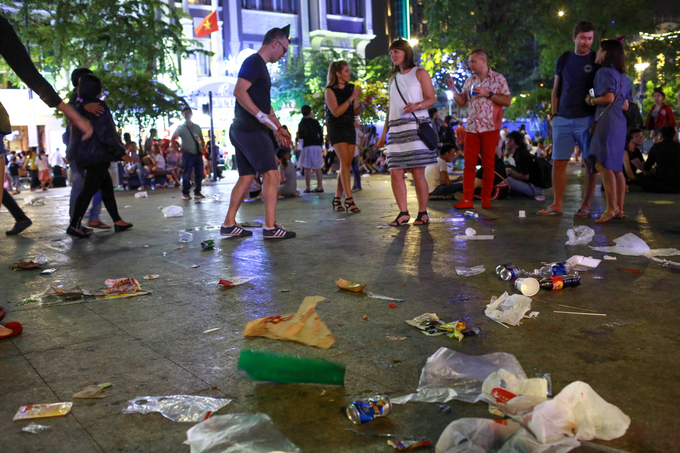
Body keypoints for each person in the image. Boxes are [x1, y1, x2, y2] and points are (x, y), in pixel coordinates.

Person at [221, 26, 296, 239]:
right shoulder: (253, 62)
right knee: (271, 174)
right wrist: (260, 116)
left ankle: (228, 224)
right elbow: (239, 91)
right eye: (284, 50)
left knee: (246, 177)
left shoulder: (260, 67)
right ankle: (270, 227)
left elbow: (266, 105)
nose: (284, 55)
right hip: (250, 129)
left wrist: (279, 128)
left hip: (242, 129)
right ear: (275, 43)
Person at [375, 38, 438, 226]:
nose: (393, 55)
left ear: (406, 53)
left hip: (415, 127)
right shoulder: (392, 79)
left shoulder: (420, 73)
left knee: (418, 172)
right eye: (391, 52)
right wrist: (383, 133)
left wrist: (417, 105)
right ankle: (403, 212)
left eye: (396, 52)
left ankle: (423, 213)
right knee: (395, 171)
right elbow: (391, 107)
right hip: (396, 130)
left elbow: (431, 99)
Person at [540, 21, 598, 216]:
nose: (586, 42)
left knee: (590, 162)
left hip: (587, 117)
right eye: (583, 38)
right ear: (574, 37)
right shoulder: (564, 59)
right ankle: (557, 203)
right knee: (558, 162)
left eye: (590, 38)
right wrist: (554, 114)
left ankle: (586, 205)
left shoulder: (596, 59)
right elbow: (556, 88)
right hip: (563, 117)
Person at [66, 74, 133, 237]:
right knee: (87, 191)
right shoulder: (97, 106)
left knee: (106, 187)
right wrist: (121, 153)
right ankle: (74, 225)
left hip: (87, 154)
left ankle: (117, 220)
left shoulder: (79, 105)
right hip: (97, 155)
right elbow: (104, 134)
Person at [445, 49, 511, 209]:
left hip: (490, 127)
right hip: (472, 127)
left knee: (488, 164)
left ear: (483, 61)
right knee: (469, 164)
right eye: (470, 62)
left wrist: (488, 94)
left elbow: (507, 101)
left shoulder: (498, 79)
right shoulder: (469, 81)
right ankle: (467, 199)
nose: (470, 65)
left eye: (473, 61)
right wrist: (453, 89)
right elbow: (462, 101)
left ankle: (486, 199)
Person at [584, 39, 631, 223]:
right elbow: (625, 104)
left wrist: (590, 100)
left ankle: (611, 208)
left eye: (599, 50)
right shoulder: (623, 77)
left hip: (606, 122)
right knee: (616, 167)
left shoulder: (603, 72)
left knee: (602, 164)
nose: (596, 53)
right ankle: (619, 208)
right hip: (619, 121)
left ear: (605, 53)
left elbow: (609, 97)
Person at [325, 60, 370, 213]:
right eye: (346, 71)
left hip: (350, 126)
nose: (349, 73)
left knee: (347, 163)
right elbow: (336, 112)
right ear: (338, 74)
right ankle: (349, 200)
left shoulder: (351, 88)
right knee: (345, 162)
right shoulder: (329, 90)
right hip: (336, 127)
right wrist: (351, 98)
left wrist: (363, 104)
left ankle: (337, 199)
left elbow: (355, 110)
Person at [172, 106, 205, 200]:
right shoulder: (181, 127)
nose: (187, 115)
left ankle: (197, 191)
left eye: (188, 113)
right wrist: (178, 150)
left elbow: (201, 138)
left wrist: (202, 149)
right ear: (183, 115)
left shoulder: (197, 127)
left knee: (199, 173)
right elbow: (173, 139)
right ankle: (185, 193)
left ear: (191, 114)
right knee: (187, 173)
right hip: (187, 154)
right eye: (185, 114)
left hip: (197, 153)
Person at [637, 126, 680, 193]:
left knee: (641, 178)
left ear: (661, 135)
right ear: (674, 135)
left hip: (662, 183)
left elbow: (647, 167)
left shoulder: (657, 147)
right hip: (677, 184)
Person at [505, 131, 544, 198]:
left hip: (533, 189)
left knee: (505, 179)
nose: (505, 143)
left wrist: (510, 174)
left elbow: (526, 176)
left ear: (512, 142)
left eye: (507, 140)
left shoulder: (520, 155)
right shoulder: (521, 152)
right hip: (534, 187)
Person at [296, 105, 324, 193]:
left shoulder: (301, 123)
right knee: (318, 167)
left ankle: (308, 187)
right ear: (310, 112)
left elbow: (300, 136)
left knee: (307, 167)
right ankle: (320, 186)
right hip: (316, 145)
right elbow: (320, 133)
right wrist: (320, 143)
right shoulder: (315, 122)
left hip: (307, 146)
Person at [352, 117, 364, 192]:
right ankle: (358, 185)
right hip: (355, 149)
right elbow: (363, 137)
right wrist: (360, 145)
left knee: (346, 169)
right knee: (356, 169)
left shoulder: (347, 130)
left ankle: (354, 185)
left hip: (349, 150)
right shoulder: (356, 130)